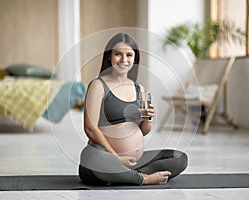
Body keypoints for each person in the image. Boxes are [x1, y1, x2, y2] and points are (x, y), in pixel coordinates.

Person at [78, 33, 187, 186]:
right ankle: (143, 178)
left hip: (133, 161)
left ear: (135, 59)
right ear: (109, 56)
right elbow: (90, 128)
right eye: (118, 54)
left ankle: (122, 175)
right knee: (90, 155)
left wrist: (146, 118)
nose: (124, 60)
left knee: (179, 158)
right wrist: (115, 157)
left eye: (129, 55)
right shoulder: (97, 85)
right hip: (105, 157)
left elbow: (144, 131)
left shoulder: (141, 89)